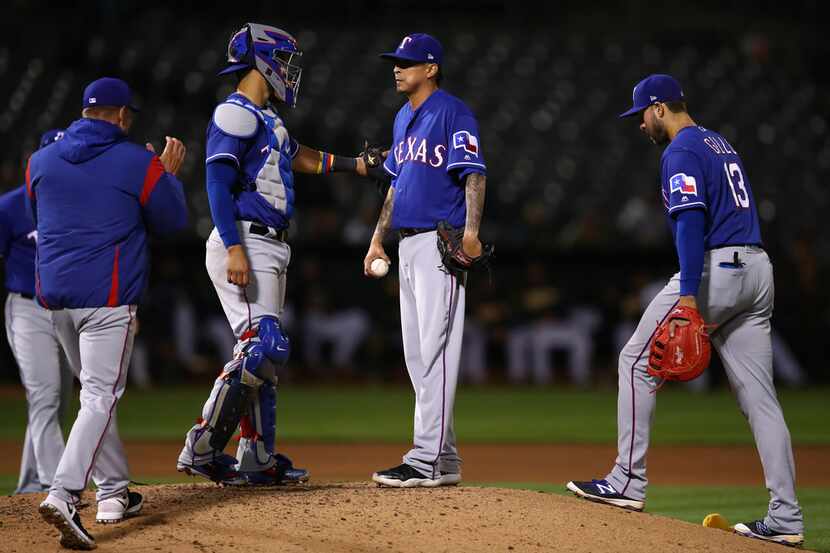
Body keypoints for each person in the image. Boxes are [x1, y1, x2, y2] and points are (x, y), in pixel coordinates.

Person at [566, 74, 804, 547]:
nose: (639, 126)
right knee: (761, 400)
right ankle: (787, 518)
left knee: (634, 361)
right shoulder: (718, 142)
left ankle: (626, 481)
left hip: (718, 271)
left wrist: (690, 295)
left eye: (640, 116)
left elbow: (691, 223)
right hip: (758, 269)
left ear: (658, 108)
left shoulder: (679, 151)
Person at [177, 22, 372, 486]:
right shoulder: (234, 113)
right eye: (283, 61)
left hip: (270, 245)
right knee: (262, 346)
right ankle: (201, 448)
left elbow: (300, 155)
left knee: (264, 361)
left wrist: (357, 166)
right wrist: (234, 247)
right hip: (243, 238)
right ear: (261, 61)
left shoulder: (267, 119)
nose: (289, 70)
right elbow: (216, 186)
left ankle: (258, 461)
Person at [28, 77, 188, 550]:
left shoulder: (40, 159)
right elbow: (172, 223)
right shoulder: (137, 161)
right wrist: (167, 175)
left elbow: (45, 212)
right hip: (107, 299)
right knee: (100, 396)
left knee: (94, 396)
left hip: (56, 299)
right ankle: (64, 494)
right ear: (121, 116)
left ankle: (114, 493)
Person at [364, 33, 487, 487]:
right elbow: (395, 185)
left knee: (435, 350)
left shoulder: (453, 112)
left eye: (407, 62)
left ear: (431, 68)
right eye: (395, 62)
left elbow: (474, 173)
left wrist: (471, 233)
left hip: (440, 243)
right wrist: (377, 240)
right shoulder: (402, 118)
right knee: (418, 356)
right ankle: (445, 455)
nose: (397, 68)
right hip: (406, 245)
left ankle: (426, 458)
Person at [1, 129, 73, 495]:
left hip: (64, 311)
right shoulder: (11, 206)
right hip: (27, 308)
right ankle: (58, 485)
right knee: (45, 395)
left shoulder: (76, 207)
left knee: (56, 401)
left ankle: (30, 485)